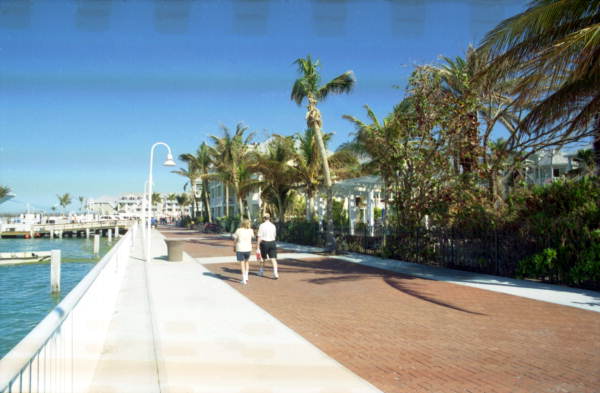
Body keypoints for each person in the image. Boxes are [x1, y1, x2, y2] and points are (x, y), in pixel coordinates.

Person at [232, 219, 255, 285]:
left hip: (240, 248)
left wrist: (234, 246)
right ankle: (246, 276)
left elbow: (234, 238)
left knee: (242, 263)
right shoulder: (250, 230)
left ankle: (244, 279)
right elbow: (253, 237)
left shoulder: (238, 230)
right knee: (247, 262)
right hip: (248, 248)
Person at [257, 213, 278, 279]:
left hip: (264, 242)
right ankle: (275, 272)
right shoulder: (273, 225)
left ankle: (261, 271)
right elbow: (275, 235)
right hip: (272, 242)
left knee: (263, 258)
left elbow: (259, 236)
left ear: (264, 218)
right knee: (273, 258)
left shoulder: (262, 225)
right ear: (269, 218)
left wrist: (257, 246)